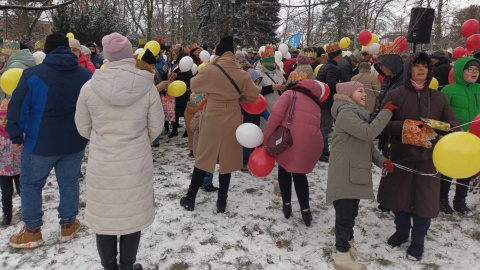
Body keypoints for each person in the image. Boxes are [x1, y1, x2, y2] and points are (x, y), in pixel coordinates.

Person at [75, 32, 164, 270]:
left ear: (106, 56)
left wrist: (103, 140)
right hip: (135, 163)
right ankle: (126, 266)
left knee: (106, 217)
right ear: (128, 55)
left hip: (102, 162)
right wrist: (136, 141)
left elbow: (83, 127)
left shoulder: (89, 87)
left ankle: (110, 267)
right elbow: (156, 127)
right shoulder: (146, 85)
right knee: (131, 218)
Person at [6, 33, 92, 248]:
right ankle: (68, 224)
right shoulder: (85, 75)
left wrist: (15, 135)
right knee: (69, 182)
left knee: (31, 185)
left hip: (40, 144)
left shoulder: (33, 74)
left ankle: (33, 231)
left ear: (47, 49)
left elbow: (16, 108)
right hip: (74, 140)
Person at [377, 52, 460, 261]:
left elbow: (454, 125)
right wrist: (410, 128)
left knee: (425, 201)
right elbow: (381, 123)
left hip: (429, 158)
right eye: (417, 65)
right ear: (409, 70)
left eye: (425, 65)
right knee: (399, 199)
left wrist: (442, 130)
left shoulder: (439, 97)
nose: (421, 68)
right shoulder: (396, 94)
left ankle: (418, 241)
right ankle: (402, 232)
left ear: (429, 70)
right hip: (401, 155)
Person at [179, 36, 259, 213]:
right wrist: (238, 98)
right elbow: (253, 95)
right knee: (227, 160)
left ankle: (191, 197)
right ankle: (222, 201)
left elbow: (194, 85)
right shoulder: (242, 73)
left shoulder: (211, 69)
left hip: (212, 116)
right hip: (232, 116)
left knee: (203, 157)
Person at [327, 81, 396, 270]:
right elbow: (369, 133)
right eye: (360, 91)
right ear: (348, 94)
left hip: (354, 172)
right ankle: (341, 256)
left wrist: (382, 161)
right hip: (344, 174)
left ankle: (348, 245)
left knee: (351, 213)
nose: (365, 94)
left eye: (365, 91)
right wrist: (386, 111)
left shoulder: (356, 114)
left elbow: (367, 145)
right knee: (344, 216)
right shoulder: (345, 113)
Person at [264, 79, 323, 227]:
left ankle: (287, 206)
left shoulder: (290, 94)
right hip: (308, 143)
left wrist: (267, 139)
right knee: (299, 174)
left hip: (287, 139)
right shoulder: (315, 103)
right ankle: (305, 211)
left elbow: (275, 117)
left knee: (284, 170)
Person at [440, 57, 480, 215]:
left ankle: (460, 201)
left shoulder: (479, 89)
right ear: (460, 71)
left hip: (473, 138)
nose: (474, 72)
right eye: (470, 69)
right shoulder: (449, 90)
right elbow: (441, 113)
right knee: (448, 170)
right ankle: (442, 200)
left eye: (476, 70)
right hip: (454, 138)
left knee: (468, 170)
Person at [316, 42, 343, 162]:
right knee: (325, 128)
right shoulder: (332, 67)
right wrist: (341, 87)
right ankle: (319, 152)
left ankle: (324, 150)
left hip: (321, 100)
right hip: (327, 102)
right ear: (336, 56)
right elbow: (330, 83)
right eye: (340, 56)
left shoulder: (324, 66)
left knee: (323, 127)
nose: (342, 58)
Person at [255, 44, 286, 130]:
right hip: (266, 107)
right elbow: (255, 91)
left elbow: (283, 82)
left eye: (272, 62)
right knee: (267, 128)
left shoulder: (277, 71)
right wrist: (272, 87)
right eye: (269, 62)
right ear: (263, 62)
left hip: (279, 105)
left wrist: (285, 86)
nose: (271, 64)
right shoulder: (257, 73)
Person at [0, 99, 21, 226]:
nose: (3, 121)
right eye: (1, 118)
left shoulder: (16, 130)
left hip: (19, 167)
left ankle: (28, 210)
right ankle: (7, 215)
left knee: (22, 190)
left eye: (6, 118)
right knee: (6, 192)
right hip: (3, 169)